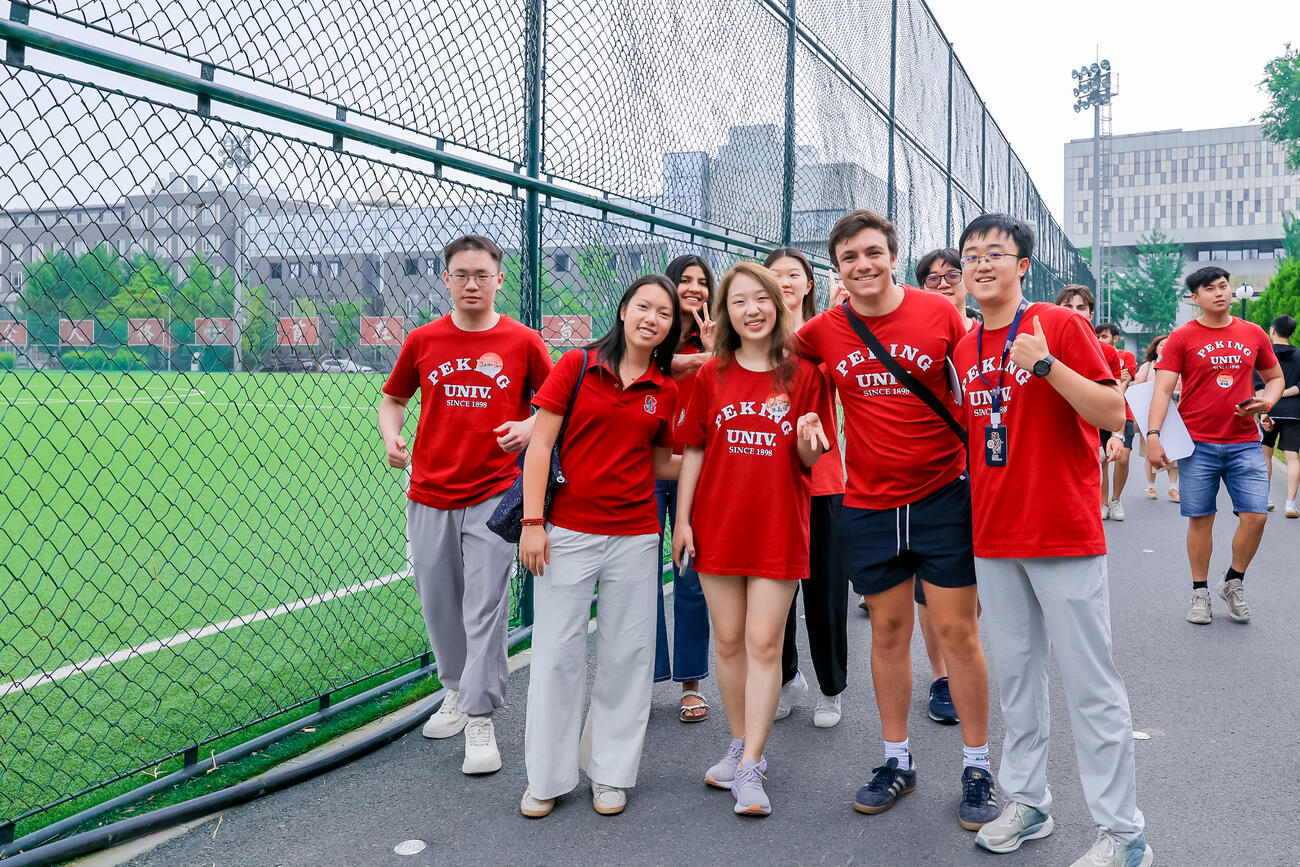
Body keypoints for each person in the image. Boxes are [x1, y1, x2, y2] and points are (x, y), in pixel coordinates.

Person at [955, 213, 1152, 867]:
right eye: (971, 253)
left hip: (1063, 532)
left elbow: (1111, 412)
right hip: (995, 534)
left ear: (1021, 265)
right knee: (1015, 677)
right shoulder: (963, 347)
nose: (981, 263)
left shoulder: (1058, 325)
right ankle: (1030, 801)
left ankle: (1125, 834)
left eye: (995, 253)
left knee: (1090, 683)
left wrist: (1044, 366)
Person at [794, 210, 995, 830]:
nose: (864, 265)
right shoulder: (824, 332)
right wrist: (806, 439)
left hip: (943, 497)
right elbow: (759, 353)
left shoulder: (940, 316)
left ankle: (978, 765)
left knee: (958, 632)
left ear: (892, 255)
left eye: (874, 253)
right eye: (851, 256)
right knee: (886, 631)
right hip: (870, 503)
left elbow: (978, 394)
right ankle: (896, 759)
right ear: (837, 269)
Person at [378, 234, 553, 775]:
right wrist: (392, 436)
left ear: (500, 280)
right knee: (440, 603)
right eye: (461, 274)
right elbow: (393, 399)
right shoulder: (423, 340)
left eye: (481, 274)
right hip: (430, 491)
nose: (471, 283)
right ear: (447, 279)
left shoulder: (524, 342)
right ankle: (453, 690)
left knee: (485, 608)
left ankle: (480, 717)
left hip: (496, 495)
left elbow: (555, 408)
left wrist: (526, 427)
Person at [517, 275, 682, 818]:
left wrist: (715, 464)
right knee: (557, 656)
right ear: (623, 310)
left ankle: (610, 773)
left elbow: (659, 460)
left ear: (669, 327)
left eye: (663, 313)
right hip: (566, 532)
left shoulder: (666, 389)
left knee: (627, 657)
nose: (651, 318)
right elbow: (540, 443)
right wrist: (533, 522)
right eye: (643, 306)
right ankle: (546, 777)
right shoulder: (578, 366)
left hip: (636, 537)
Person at [673, 262, 831, 816]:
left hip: (778, 526)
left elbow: (810, 460)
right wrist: (683, 520)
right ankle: (738, 744)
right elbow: (693, 449)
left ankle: (753, 765)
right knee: (730, 641)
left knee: (766, 642)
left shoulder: (804, 375)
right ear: (726, 313)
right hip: (717, 525)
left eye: (760, 298)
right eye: (738, 301)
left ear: (778, 304)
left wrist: (810, 441)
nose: (752, 309)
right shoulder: (708, 377)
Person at [1148, 266, 1283, 626]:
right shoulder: (1182, 337)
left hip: (1244, 443)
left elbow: (1275, 378)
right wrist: (1153, 435)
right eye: (1210, 289)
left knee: (1255, 516)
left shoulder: (1253, 333)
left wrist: (1266, 402)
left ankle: (1233, 581)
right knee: (1201, 519)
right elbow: (1162, 389)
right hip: (1198, 445)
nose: (1220, 293)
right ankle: (1200, 592)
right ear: (1196, 298)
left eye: (1223, 286)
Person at [765, 247, 848, 728]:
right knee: (776, 591)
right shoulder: (754, 338)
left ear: (809, 283)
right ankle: (785, 678)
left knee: (825, 592)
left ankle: (830, 688)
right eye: (774, 275)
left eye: (792, 274)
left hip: (822, 483)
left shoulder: (828, 334)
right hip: (769, 484)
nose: (784, 282)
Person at [912, 247, 976, 727]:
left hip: (986, 472)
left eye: (952, 274)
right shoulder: (912, 333)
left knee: (970, 587)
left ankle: (964, 661)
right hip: (930, 477)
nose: (944, 282)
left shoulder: (989, 332)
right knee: (926, 589)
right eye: (931, 278)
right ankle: (941, 677)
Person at [655, 254, 716, 723]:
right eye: (684, 280)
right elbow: (652, 366)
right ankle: (646, 674)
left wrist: (716, 350)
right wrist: (691, 359)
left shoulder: (716, 334)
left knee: (691, 571)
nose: (693, 288)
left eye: (701, 282)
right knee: (637, 575)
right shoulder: (650, 328)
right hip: (648, 465)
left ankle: (691, 682)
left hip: (696, 466)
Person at [1057, 286, 1133, 521]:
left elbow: (1116, 393)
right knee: (1096, 464)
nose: (1074, 312)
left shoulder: (1107, 352)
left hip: (1108, 416)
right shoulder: (1047, 347)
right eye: (1067, 307)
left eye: (1081, 308)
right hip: (1072, 419)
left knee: (1119, 458)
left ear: (1091, 315)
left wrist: (1117, 435)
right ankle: (1099, 503)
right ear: (1056, 310)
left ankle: (1115, 500)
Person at [1255, 315, 1300, 517]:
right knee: (1293, 458)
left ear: (1272, 330)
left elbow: (1258, 389)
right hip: (1294, 413)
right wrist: (1283, 391)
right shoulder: (1299, 355)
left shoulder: (1263, 355)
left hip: (1269, 411)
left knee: (1266, 455)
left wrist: (1265, 409)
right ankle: (1290, 504)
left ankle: (1265, 499)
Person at [1097, 322, 1137, 517]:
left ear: (1115, 338)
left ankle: (1116, 500)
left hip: (1124, 413)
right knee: (1102, 459)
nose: (1100, 340)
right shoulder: (1094, 354)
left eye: (1104, 336)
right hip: (1098, 414)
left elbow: (1125, 383)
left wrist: (1113, 393)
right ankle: (1103, 503)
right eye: (1097, 336)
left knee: (1122, 458)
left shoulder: (1126, 357)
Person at [1134, 335, 1179, 501]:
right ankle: (1151, 487)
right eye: (1161, 345)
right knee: (1149, 452)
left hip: (1175, 415)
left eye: (1168, 345)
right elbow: (1137, 389)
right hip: (1150, 416)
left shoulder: (1178, 365)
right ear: (1155, 348)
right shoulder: (1147, 367)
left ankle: (1173, 488)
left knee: (1175, 453)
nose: (1164, 348)